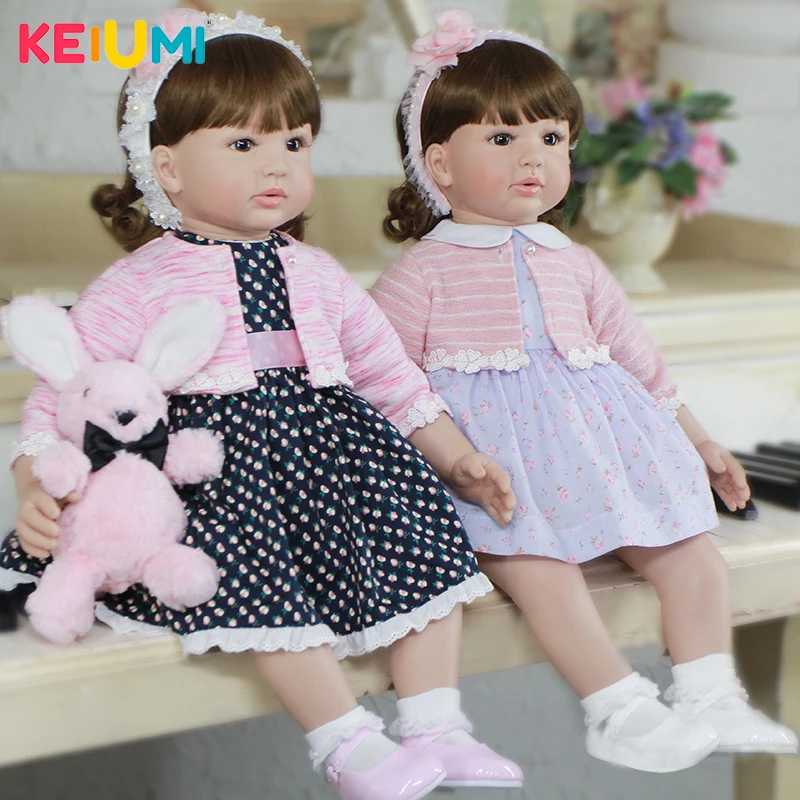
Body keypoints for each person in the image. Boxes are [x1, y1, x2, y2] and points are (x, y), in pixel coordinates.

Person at [1, 10, 524, 797]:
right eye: (244, 145)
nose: (277, 164)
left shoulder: (316, 272)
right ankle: (346, 741)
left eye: (295, 143)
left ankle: (435, 723)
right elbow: (64, 390)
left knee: (426, 546)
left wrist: (455, 456)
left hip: (332, 464)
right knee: (254, 582)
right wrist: (35, 478)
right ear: (167, 167)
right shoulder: (139, 283)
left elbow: (388, 373)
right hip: (218, 479)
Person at [372, 8, 798, 773]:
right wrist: (448, 461)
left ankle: (709, 692)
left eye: (551, 137)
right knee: (543, 572)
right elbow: (381, 380)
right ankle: (617, 707)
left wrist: (701, 441)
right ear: (439, 164)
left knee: (694, 555)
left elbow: (642, 363)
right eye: (502, 138)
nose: (532, 157)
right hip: (498, 479)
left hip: (602, 461)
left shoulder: (575, 261)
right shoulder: (423, 273)